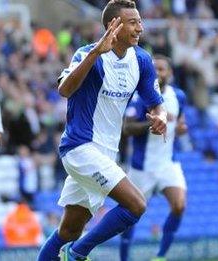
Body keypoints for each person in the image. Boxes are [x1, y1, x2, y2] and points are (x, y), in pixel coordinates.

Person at [37, 1, 167, 260]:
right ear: (113, 26)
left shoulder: (141, 59)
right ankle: (78, 253)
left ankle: (69, 248)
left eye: (140, 21)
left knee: (69, 229)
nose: (140, 27)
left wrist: (161, 117)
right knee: (136, 205)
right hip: (80, 147)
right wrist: (96, 52)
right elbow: (64, 90)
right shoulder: (87, 54)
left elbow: (156, 103)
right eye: (133, 22)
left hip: (106, 153)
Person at [120, 55, 187, 261]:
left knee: (179, 205)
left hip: (168, 164)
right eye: (154, 69)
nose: (158, 73)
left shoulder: (179, 96)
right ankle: (124, 258)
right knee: (129, 217)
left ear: (170, 73)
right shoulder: (139, 98)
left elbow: (180, 123)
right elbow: (127, 129)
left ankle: (160, 257)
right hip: (142, 168)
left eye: (162, 69)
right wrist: (151, 123)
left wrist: (182, 128)